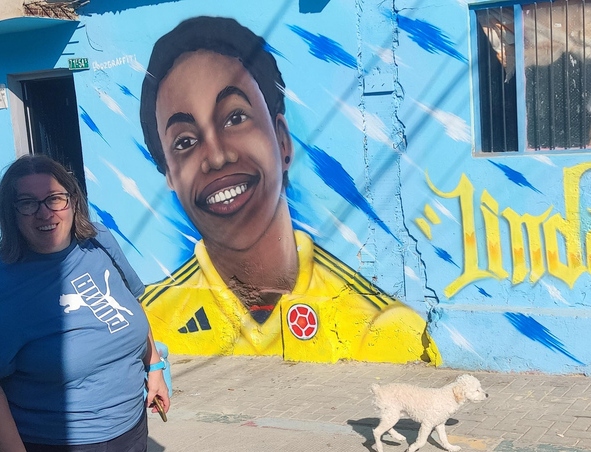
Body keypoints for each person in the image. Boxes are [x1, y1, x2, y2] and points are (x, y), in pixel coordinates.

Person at [138, 16, 441, 365]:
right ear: (170, 177)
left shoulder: (383, 331)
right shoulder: (151, 325)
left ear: (282, 141)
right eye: (185, 141)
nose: (217, 157)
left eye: (235, 118)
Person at [0, 155, 169, 452]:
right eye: (28, 203)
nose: (45, 213)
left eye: (55, 198)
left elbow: (132, 304)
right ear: (11, 212)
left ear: (72, 201)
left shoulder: (99, 241)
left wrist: (154, 365)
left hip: (126, 437)